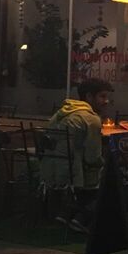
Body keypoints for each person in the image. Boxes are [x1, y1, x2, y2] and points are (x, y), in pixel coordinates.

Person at [44, 78, 113, 233]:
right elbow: (93, 158)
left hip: (51, 171)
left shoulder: (59, 114)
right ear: (89, 96)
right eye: (102, 96)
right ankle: (82, 217)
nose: (106, 101)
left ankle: (67, 213)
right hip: (73, 175)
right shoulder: (91, 119)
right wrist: (107, 164)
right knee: (112, 179)